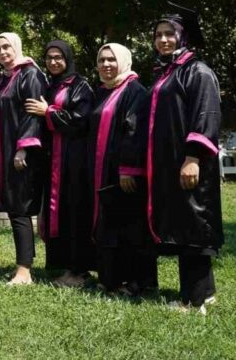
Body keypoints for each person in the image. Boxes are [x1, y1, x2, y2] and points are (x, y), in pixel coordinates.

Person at [146, 4, 222, 314]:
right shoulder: (168, 71)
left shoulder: (197, 71)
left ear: (183, 36)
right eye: (158, 35)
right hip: (172, 162)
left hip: (191, 161)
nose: (163, 40)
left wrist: (193, 157)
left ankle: (195, 301)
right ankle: (205, 291)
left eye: (170, 34)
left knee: (194, 225)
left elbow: (206, 115)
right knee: (184, 223)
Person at [24, 40, 95, 286]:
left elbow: (81, 121)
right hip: (52, 160)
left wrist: (49, 112)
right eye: (49, 57)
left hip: (73, 160)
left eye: (58, 57)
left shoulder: (80, 86)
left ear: (68, 59)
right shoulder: (49, 85)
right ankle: (63, 265)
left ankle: (79, 270)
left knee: (74, 212)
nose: (53, 62)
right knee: (57, 212)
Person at [89, 43, 157, 296]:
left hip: (125, 174)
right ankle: (111, 280)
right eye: (102, 60)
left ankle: (139, 282)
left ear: (124, 61)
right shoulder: (103, 91)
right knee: (109, 226)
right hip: (104, 171)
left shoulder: (134, 91)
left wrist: (128, 168)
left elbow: (134, 130)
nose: (106, 64)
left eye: (111, 59)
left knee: (131, 228)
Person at [0, 33, 47, 285]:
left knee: (20, 209)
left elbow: (33, 114)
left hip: (22, 154)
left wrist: (23, 148)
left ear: (17, 47)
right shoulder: (5, 78)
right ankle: (23, 265)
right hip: (5, 153)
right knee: (13, 208)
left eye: (6, 47)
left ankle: (24, 271)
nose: (2, 52)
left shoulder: (30, 75)